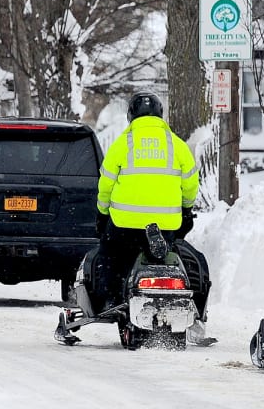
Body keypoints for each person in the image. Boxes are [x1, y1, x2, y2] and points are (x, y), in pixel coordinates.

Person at [90, 92, 210, 326]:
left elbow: (105, 185)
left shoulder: (122, 144)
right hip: (165, 222)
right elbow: (191, 182)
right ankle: (158, 252)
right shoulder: (176, 144)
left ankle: (111, 300)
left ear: (131, 116)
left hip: (124, 222)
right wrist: (186, 210)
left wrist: (102, 214)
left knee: (110, 255)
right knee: (170, 251)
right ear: (160, 116)